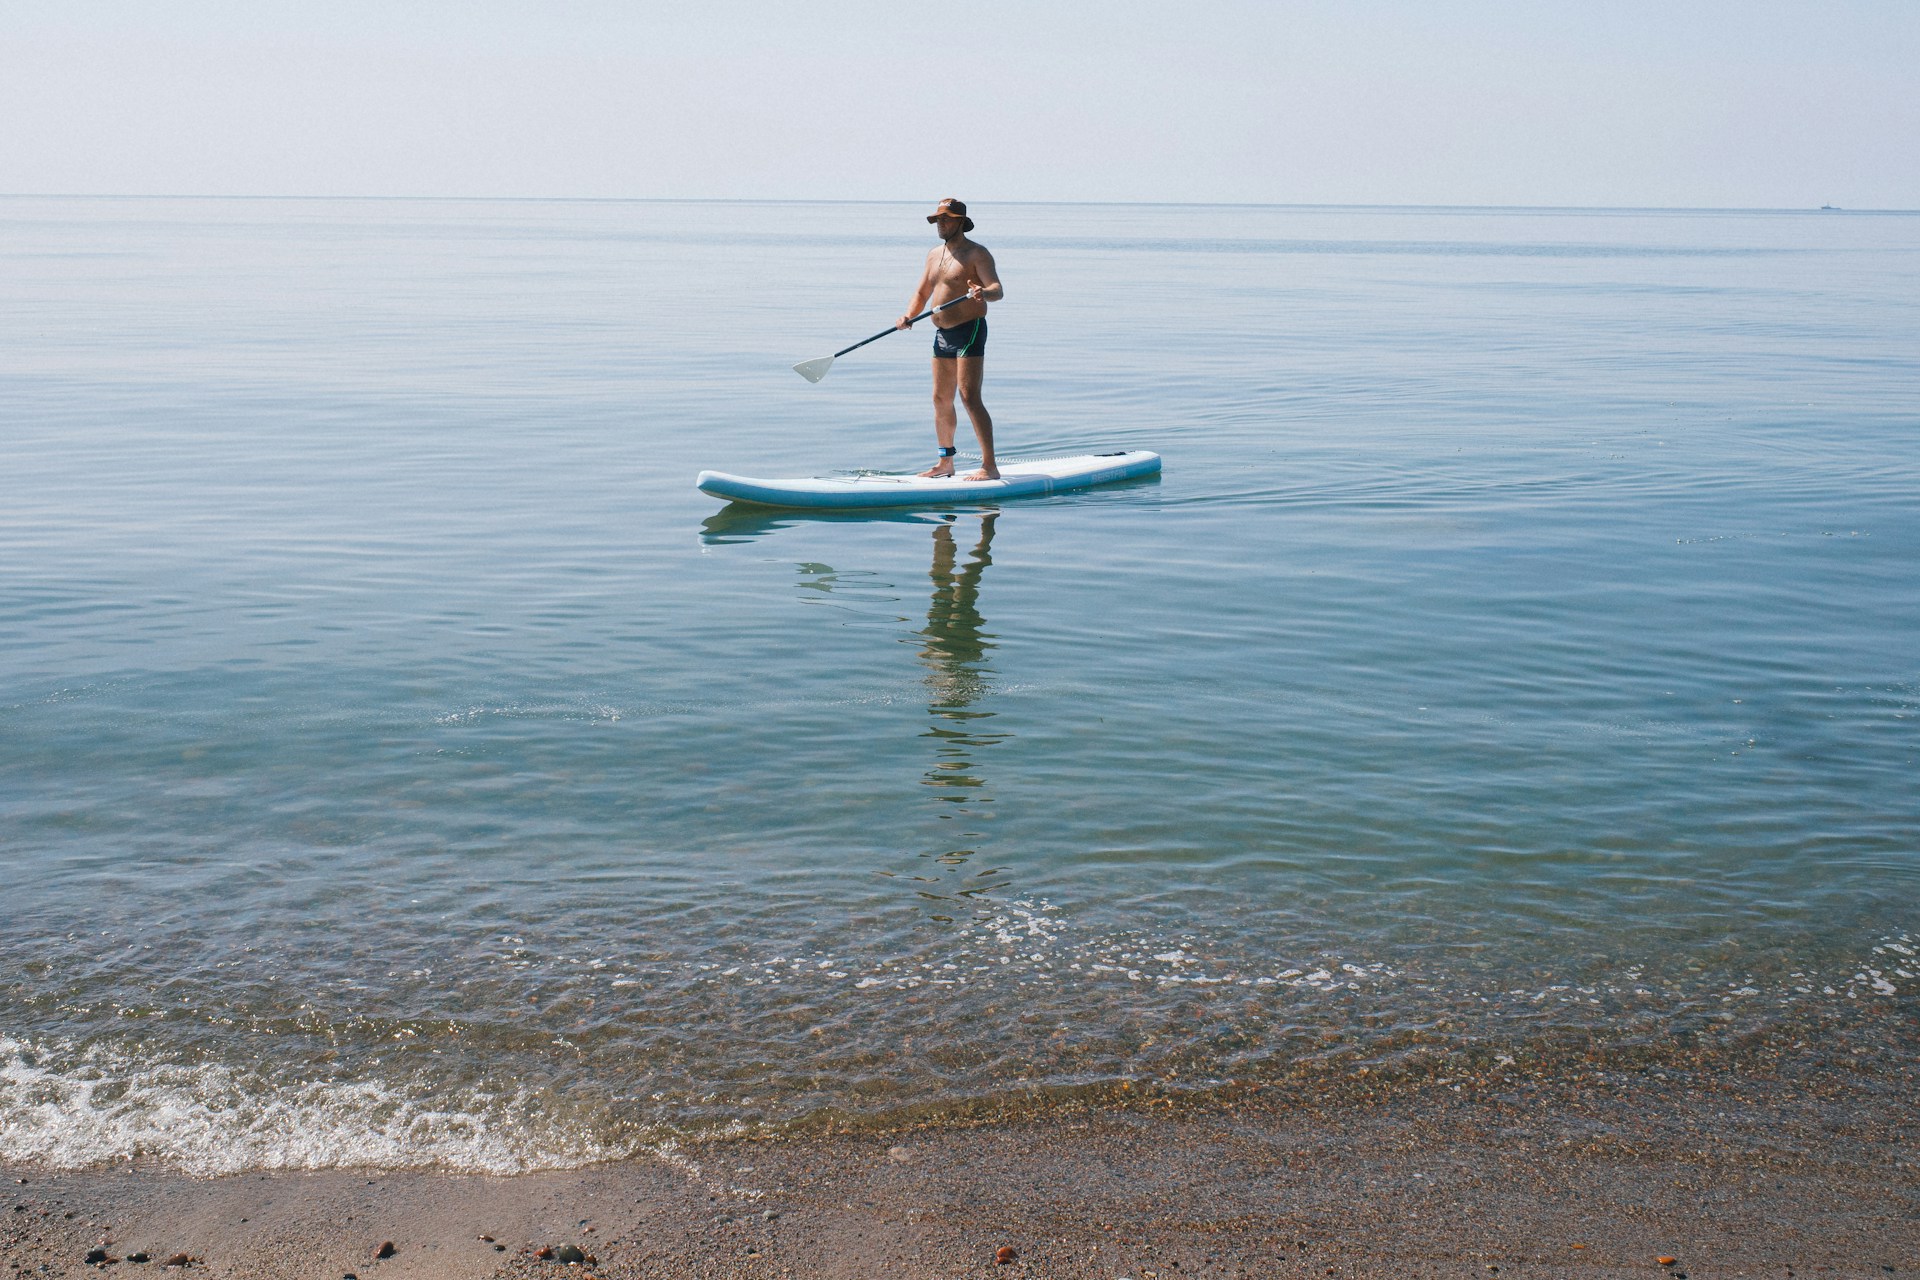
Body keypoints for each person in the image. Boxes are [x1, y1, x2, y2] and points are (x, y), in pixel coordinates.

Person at [896, 198, 1004, 480]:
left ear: (960, 222)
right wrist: (908, 315)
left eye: (945, 219)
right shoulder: (933, 255)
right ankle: (945, 463)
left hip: (969, 330)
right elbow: (921, 294)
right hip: (942, 334)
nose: (940, 224)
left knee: (969, 397)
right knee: (940, 398)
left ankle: (989, 466)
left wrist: (983, 292)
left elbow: (997, 289)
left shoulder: (977, 254)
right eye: (938, 220)